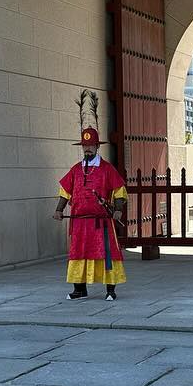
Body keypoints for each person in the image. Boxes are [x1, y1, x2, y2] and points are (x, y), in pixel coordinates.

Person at [54, 126, 127, 301]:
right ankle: (79, 289)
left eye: (91, 145)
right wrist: (58, 209)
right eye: (85, 146)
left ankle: (110, 289)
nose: (87, 149)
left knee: (107, 253)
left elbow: (119, 191)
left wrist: (117, 210)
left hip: (100, 222)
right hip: (79, 222)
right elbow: (65, 191)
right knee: (78, 253)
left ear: (97, 146)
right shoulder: (76, 169)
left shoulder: (107, 169)